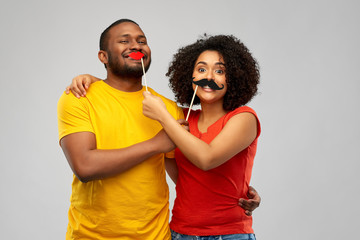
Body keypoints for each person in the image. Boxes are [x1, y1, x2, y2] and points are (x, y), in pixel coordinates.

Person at [61, 19, 260, 240]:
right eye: (201, 69)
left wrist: (239, 193)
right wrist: (95, 81)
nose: (136, 46)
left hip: (172, 236)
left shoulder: (170, 113)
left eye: (142, 41)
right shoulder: (80, 97)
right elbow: (85, 167)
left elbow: (203, 163)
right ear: (103, 56)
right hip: (165, 233)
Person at [142, 34, 261, 239]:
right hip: (181, 233)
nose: (209, 77)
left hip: (229, 234)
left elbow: (207, 159)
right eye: (202, 69)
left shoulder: (244, 118)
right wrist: (95, 81)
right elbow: (130, 94)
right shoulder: (183, 120)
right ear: (190, 75)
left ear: (233, 77)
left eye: (220, 71)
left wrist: (163, 117)